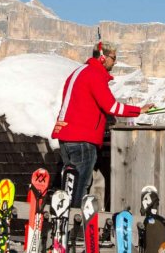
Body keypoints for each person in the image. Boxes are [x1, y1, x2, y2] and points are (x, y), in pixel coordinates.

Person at [51, 41, 154, 207]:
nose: (115, 62)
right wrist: (139, 110)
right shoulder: (94, 75)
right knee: (80, 186)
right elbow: (111, 106)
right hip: (82, 139)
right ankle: (74, 224)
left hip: (65, 136)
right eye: (113, 58)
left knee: (69, 183)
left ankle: (62, 218)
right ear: (102, 57)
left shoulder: (78, 72)